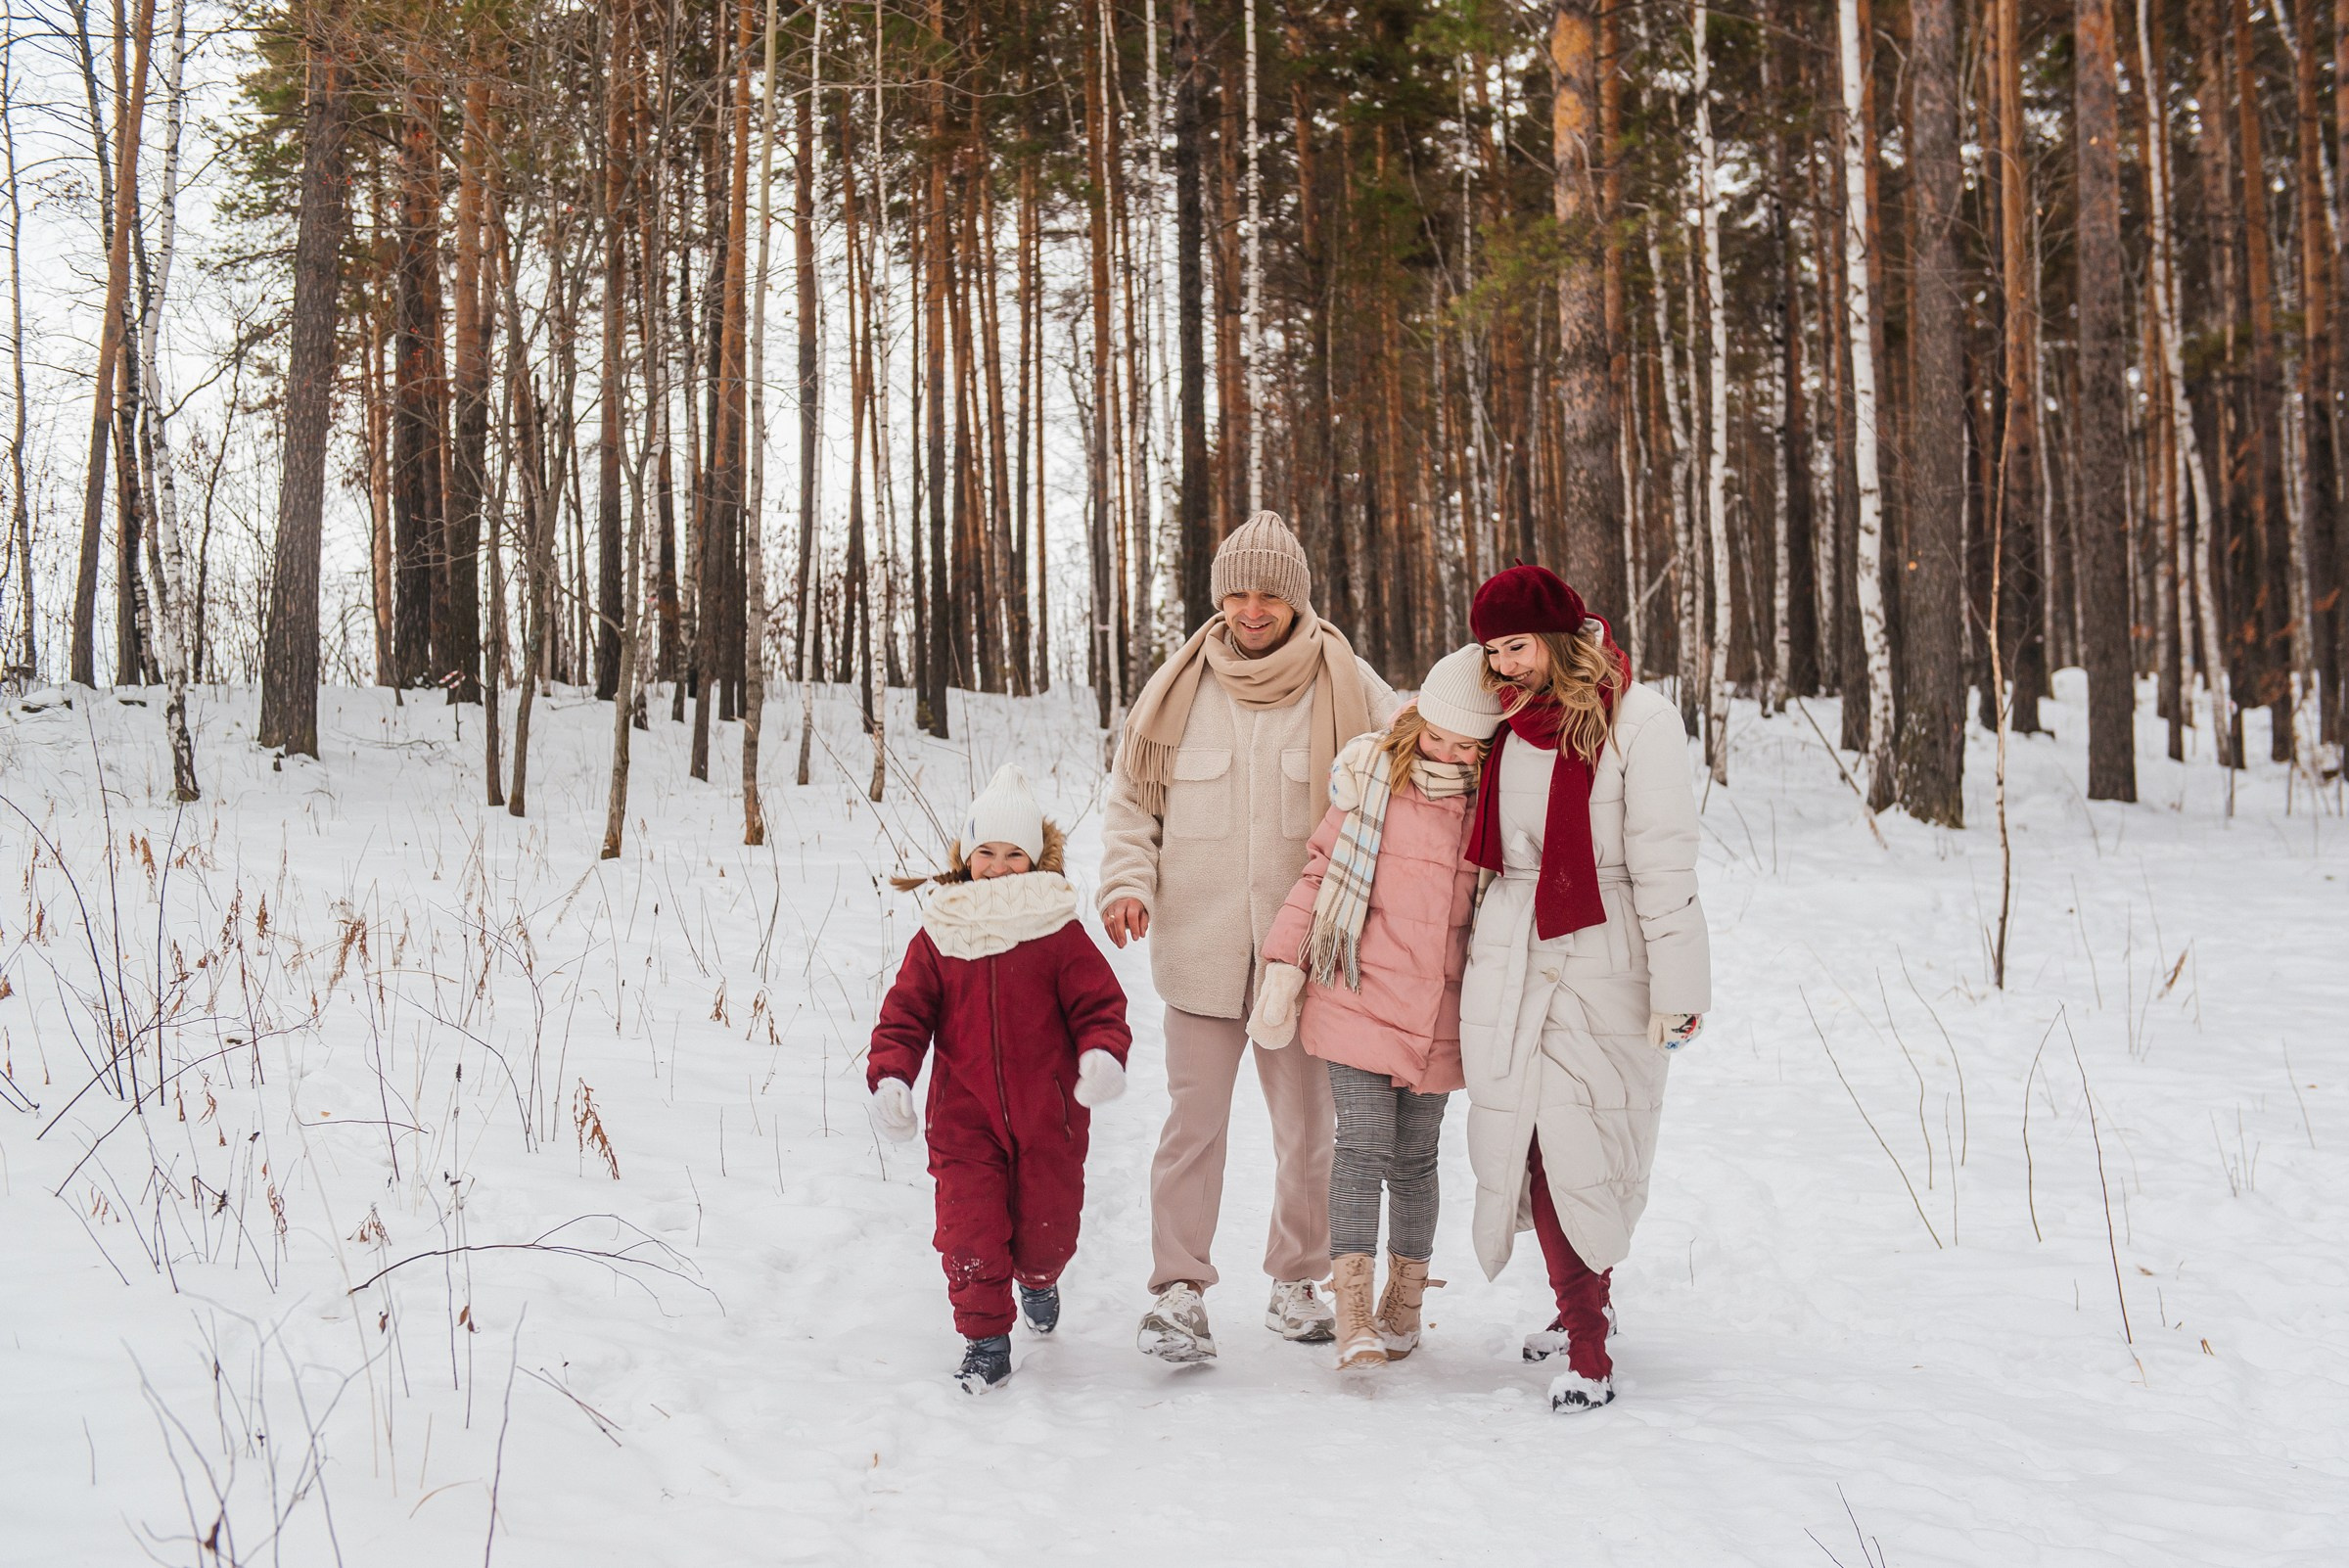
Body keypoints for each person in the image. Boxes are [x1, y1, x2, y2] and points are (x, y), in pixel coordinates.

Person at [1098, 512, 1398, 1360]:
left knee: (1308, 1130)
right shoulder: (1178, 687)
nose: (1252, 609)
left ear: (1296, 598)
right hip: (1197, 947)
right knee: (1192, 1126)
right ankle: (1179, 1290)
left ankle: (1296, 1280)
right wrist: (1126, 882)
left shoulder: (1348, 682)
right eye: (1237, 592)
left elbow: (1411, 764)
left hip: (1304, 957)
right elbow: (1133, 804)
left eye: (1269, 593)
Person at [1455, 564, 1710, 1412]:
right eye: (1492, 652)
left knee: (1582, 1144)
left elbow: (1666, 865)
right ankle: (1583, 1314)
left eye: (1517, 647)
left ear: (1560, 638)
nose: (1505, 666)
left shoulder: (1641, 721)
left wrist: (1679, 986)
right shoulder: (1498, 720)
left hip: (1604, 951)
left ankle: (1590, 1349)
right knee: (1529, 1143)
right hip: (1511, 951)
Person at [1249, 645, 1503, 1369]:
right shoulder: (1372, 779)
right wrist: (1285, 965)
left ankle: (1405, 1302)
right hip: (1357, 995)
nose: (1449, 753)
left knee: (1416, 1159)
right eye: (1439, 736)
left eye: (1467, 744)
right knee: (1360, 1149)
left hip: (1442, 1013)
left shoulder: (1492, 806)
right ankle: (1354, 1310)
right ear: (1417, 722)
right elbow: (1321, 873)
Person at [868, 764, 1134, 1394]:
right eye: (985, 851)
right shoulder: (941, 932)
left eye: (1014, 853)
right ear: (965, 856)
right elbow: (905, 1015)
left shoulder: (1057, 930)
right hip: (964, 1120)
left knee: (1048, 1235)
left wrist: (1103, 1054)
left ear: (1036, 859)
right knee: (970, 1231)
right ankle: (985, 1342)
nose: (998, 866)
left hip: (1049, 1119)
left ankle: (1039, 1280)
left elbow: (1099, 1006)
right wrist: (892, 1077)